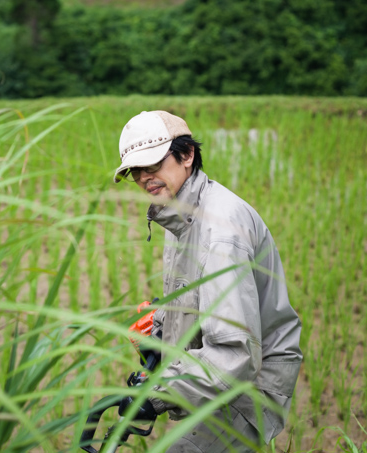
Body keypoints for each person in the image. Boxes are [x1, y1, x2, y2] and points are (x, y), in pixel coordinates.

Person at [113, 111, 303, 452]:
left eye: (152, 164)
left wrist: (155, 396)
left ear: (186, 155)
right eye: (135, 171)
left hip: (250, 390)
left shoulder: (221, 231)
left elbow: (236, 355)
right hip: (223, 380)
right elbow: (193, 295)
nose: (144, 177)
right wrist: (160, 329)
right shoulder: (180, 212)